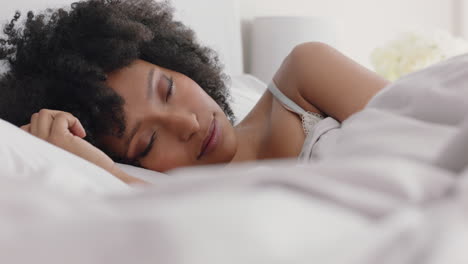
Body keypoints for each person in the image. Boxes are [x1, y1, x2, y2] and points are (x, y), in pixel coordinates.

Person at [0, 0, 389, 184]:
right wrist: (97, 170)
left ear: (179, 64)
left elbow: (431, 120)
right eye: (148, 142)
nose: (186, 123)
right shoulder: (165, 200)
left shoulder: (307, 72)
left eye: (167, 89)